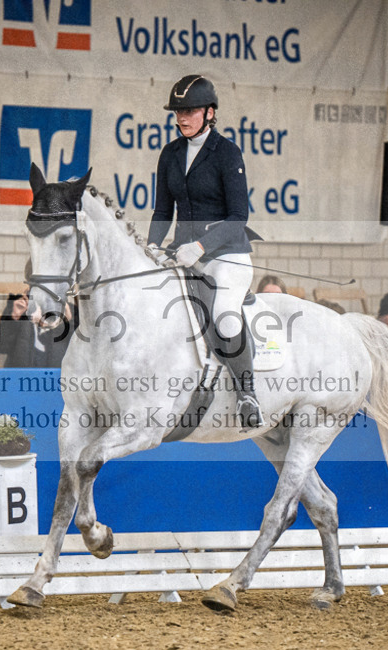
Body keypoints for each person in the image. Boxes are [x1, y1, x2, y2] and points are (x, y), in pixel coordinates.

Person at [146, 74, 260, 429]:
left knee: (225, 316)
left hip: (227, 254)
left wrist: (200, 246)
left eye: (191, 110)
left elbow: (239, 217)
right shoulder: (170, 154)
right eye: (178, 111)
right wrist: (151, 246)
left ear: (210, 112)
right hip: (183, 254)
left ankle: (247, 394)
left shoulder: (227, 153)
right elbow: (163, 211)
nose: (182, 117)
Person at [0, 265, 79, 368]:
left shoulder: (71, 311)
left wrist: (68, 322)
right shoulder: (18, 305)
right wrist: (14, 318)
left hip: (55, 379)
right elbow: (1, 347)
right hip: (22, 378)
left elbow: (81, 353)